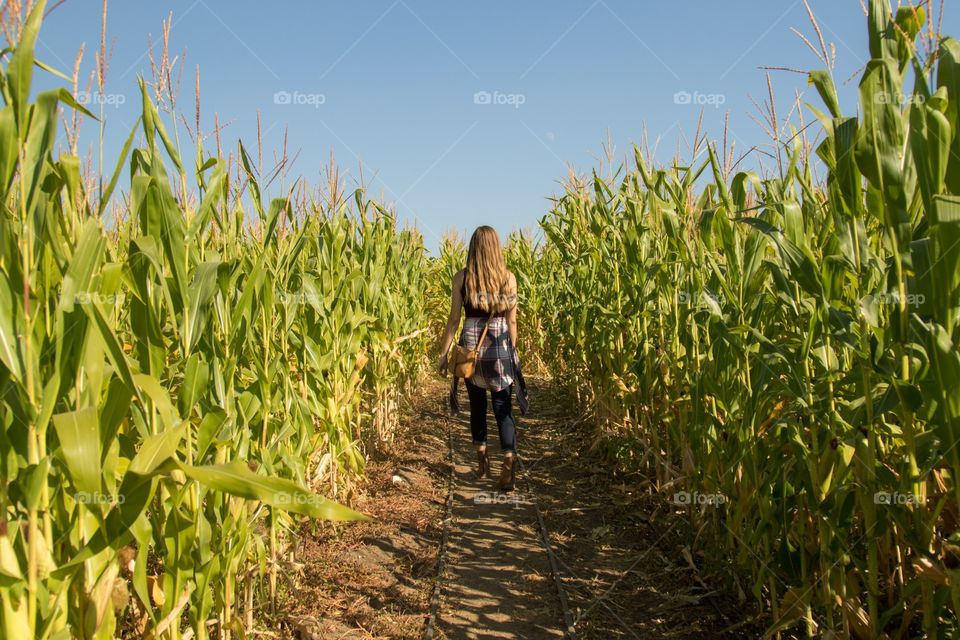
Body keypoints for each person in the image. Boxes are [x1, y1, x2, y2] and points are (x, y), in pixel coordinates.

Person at [438, 226, 519, 491]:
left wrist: (444, 353)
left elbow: (453, 319)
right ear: (496, 247)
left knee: (476, 406)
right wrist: (513, 351)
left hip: (471, 344)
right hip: (498, 344)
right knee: (502, 406)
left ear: (473, 247)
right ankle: (508, 462)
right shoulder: (508, 279)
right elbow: (512, 320)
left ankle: (482, 461)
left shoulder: (461, 278)